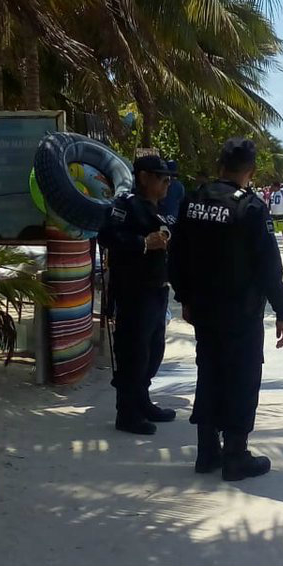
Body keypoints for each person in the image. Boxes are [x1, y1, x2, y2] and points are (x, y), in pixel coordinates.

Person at [169, 137, 283, 482]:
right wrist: (282, 310)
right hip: (241, 312)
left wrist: (186, 298)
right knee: (241, 378)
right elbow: (269, 266)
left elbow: (176, 255)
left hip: (204, 310)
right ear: (250, 172)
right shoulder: (250, 208)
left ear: (219, 165)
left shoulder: (192, 201)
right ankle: (235, 455)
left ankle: (207, 452)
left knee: (209, 373)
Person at [99, 156, 178, 435]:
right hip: (134, 291)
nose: (167, 183)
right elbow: (108, 237)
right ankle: (127, 412)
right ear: (144, 177)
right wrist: (143, 243)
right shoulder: (125, 205)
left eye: (169, 179)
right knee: (133, 353)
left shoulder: (160, 208)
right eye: (162, 177)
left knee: (154, 351)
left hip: (157, 290)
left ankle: (142, 401)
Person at [157, 160, 186, 225]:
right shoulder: (180, 186)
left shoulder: (161, 183)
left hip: (160, 216)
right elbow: (181, 201)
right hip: (173, 218)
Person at [267, 181, 283, 249]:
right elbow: (270, 203)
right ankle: (272, 243)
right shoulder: (272, 194)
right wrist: (268, 211)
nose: (271, 187)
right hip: (273, 214)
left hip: (281, 213)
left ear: (276, 187)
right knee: (272, 229)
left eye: (272, 186)